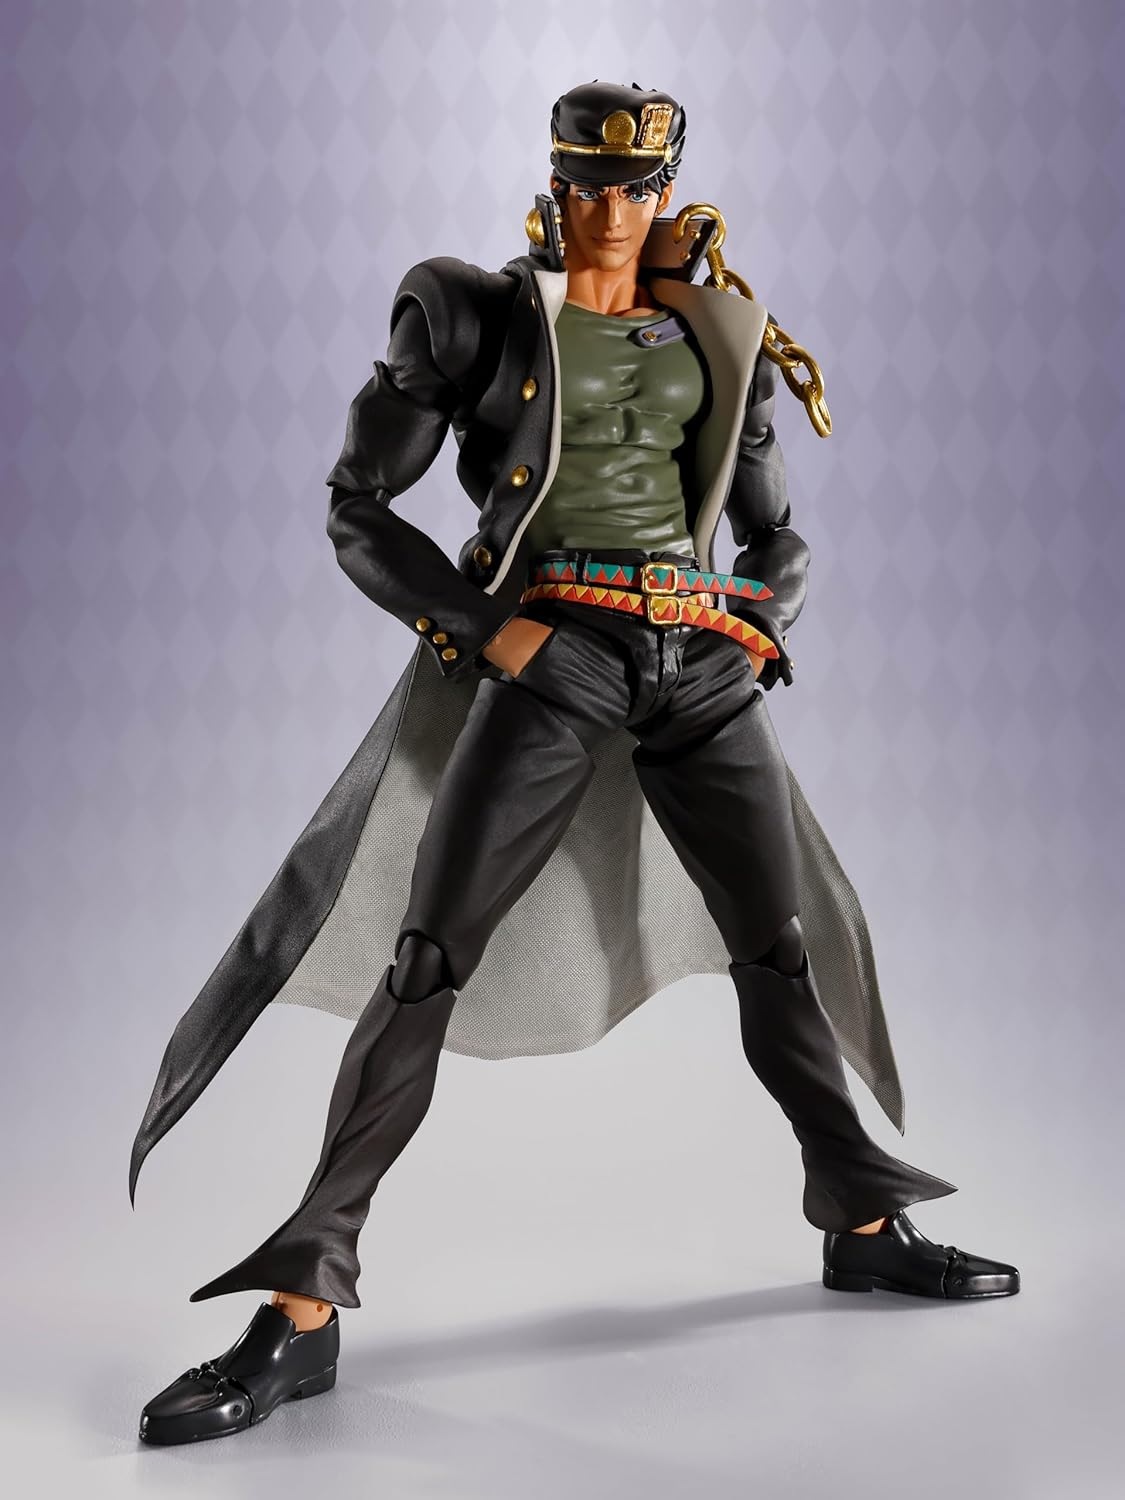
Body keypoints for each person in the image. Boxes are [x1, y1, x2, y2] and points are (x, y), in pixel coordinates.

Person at [135, 81, 1019, 1447]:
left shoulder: (712, 326)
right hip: (558, 655)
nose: (616, 208)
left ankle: (858, 1219)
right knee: (428, 960)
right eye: (593, 185)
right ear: (555, 185)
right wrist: (490, 632)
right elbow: (357, 506)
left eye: (639, 186)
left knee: (778, 945)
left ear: (668, 191)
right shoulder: (472, 315)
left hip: (698, 664)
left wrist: (760, 623)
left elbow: (777, 533)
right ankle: (302, 1309)